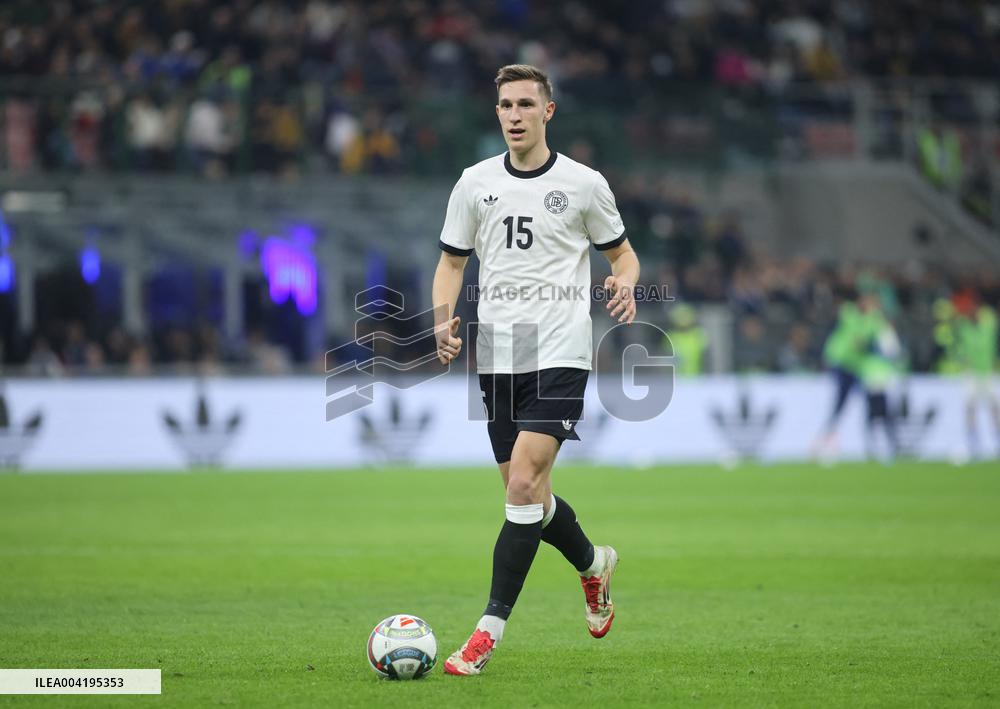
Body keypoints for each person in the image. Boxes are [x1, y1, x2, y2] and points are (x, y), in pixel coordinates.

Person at [431, 64, 640, 676]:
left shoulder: (583, 184)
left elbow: (623, 255)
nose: (515, 114)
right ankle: (594, 564)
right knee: (530, 497)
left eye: (526, 104)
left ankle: (486, 632)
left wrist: (623, 285)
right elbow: (450, 263)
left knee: (522, 486)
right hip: (498, 354)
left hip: (562, 351)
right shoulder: (474, 184)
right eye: (505, 105)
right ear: (496, 113)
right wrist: (444, 319)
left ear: (548, 112)